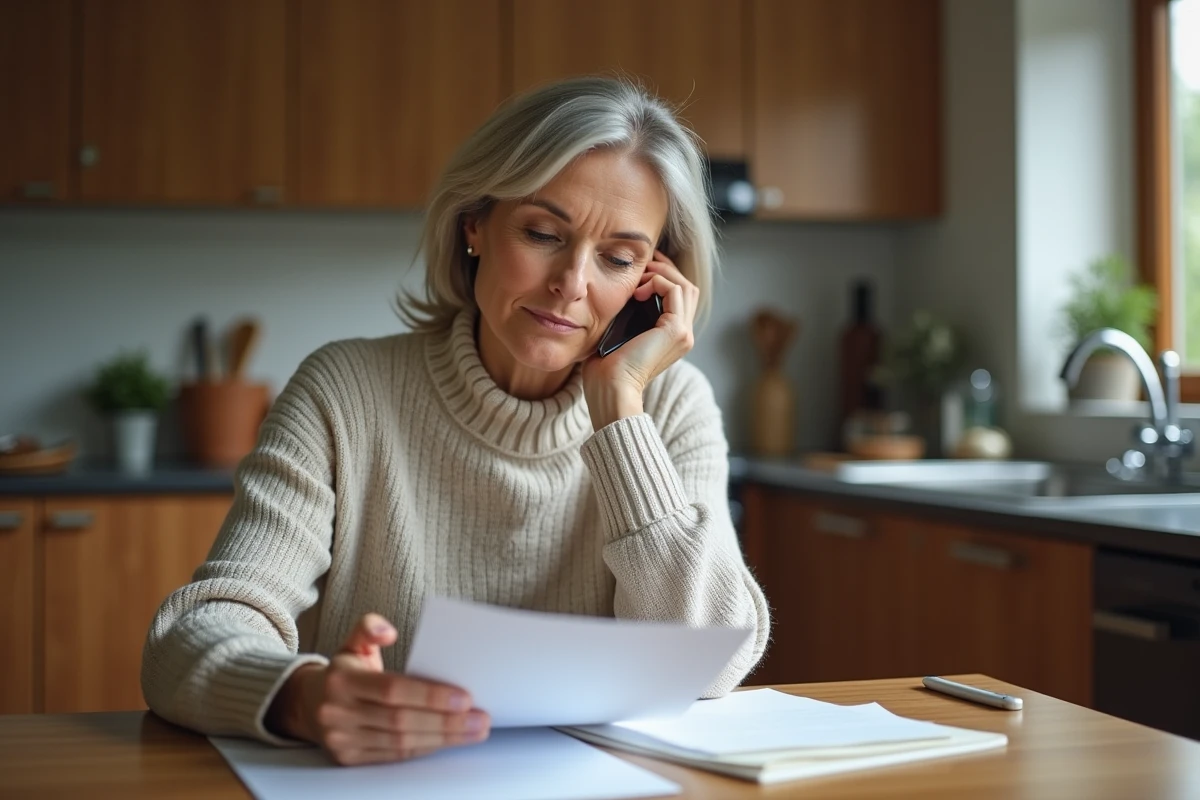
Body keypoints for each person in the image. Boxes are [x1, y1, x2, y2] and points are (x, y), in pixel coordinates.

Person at [142, 75, 770, 767]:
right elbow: (189, 637)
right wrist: (303, 696)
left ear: (652, 282)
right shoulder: (346, 391)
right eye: (541, 233)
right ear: (475, 224)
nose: (572, 283)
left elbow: (709, 662)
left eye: (618, 258)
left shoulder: (673, 405)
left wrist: (620, 408)